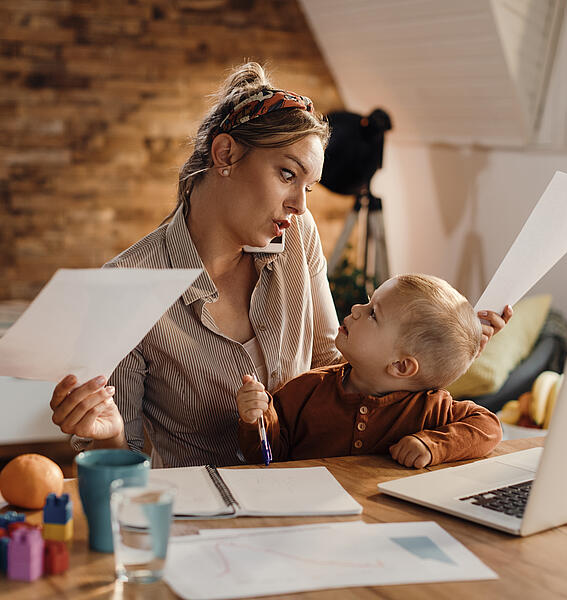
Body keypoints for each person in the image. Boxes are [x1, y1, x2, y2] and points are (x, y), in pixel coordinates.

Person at [49, 62, 511, 468]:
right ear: (225, 154)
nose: (299, 205)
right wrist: (102, 432)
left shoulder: (297, 236)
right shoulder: (126, 285)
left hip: (318, 497)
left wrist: (442, 349)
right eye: (287, 174)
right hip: (206, 514)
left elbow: (337, 363)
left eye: (308, 186)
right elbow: (119, 455)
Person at [236, 274, 503, 468]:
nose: (356, 308)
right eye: (367, 302)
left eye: (373, 313)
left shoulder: (431, 408)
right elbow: (266, 459)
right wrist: (257, 418)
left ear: (401, 366)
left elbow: (489, 427)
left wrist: (431, 446)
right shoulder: (304, 390)